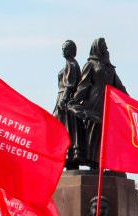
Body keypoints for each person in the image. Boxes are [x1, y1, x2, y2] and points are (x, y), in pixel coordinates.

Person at [69, 37, 127, 168]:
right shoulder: (90, 65)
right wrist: (76, 101)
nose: (106, 48)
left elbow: (119, 86)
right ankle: (94, 164)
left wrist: (130, 103)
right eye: (103, 45)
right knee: (94, 133)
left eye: (106, 45)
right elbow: (83, 85)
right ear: (97, 48)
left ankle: (105, 163)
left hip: (108, 102)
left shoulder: (109, 67)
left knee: (107, 134)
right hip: (94, 101)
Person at [53, 39, 83, 170]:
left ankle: (70, 156)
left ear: (72, 51)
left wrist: (63, 100)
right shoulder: (69, 64)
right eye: (63, 49)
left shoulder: (72, 64)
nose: (63, 51)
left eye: (66, 49)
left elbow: (70, 85)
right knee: (63, 129)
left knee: (67, 129)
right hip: (62, 98)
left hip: (66, 101)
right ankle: (67, 158)